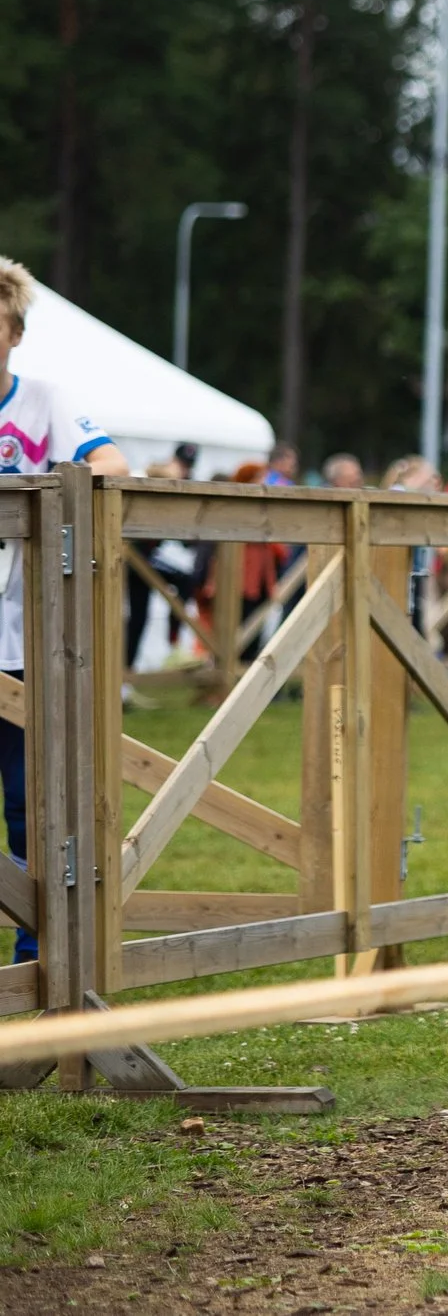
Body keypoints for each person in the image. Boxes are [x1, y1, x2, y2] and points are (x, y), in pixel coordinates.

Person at [0, 259, 128, 962]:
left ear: (15, 334)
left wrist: (35, 494)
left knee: (30, 804)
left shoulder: (42, 400)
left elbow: (111, 466)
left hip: (28, 638)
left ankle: (34, 947)